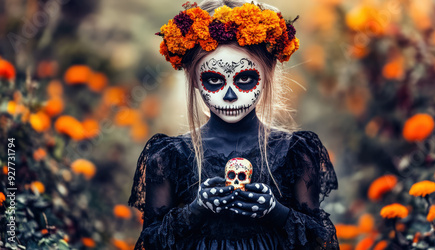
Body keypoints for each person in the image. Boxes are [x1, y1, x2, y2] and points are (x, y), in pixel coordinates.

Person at [128, 0, 339, 249]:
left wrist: (277, 212)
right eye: (214, 80)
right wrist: (193, 212)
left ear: (268, 73)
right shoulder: (169, 158)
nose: (229, 95)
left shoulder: (295, 153)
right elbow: (151, 244)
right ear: (193, 78)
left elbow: (319, 242)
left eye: (246, 78)